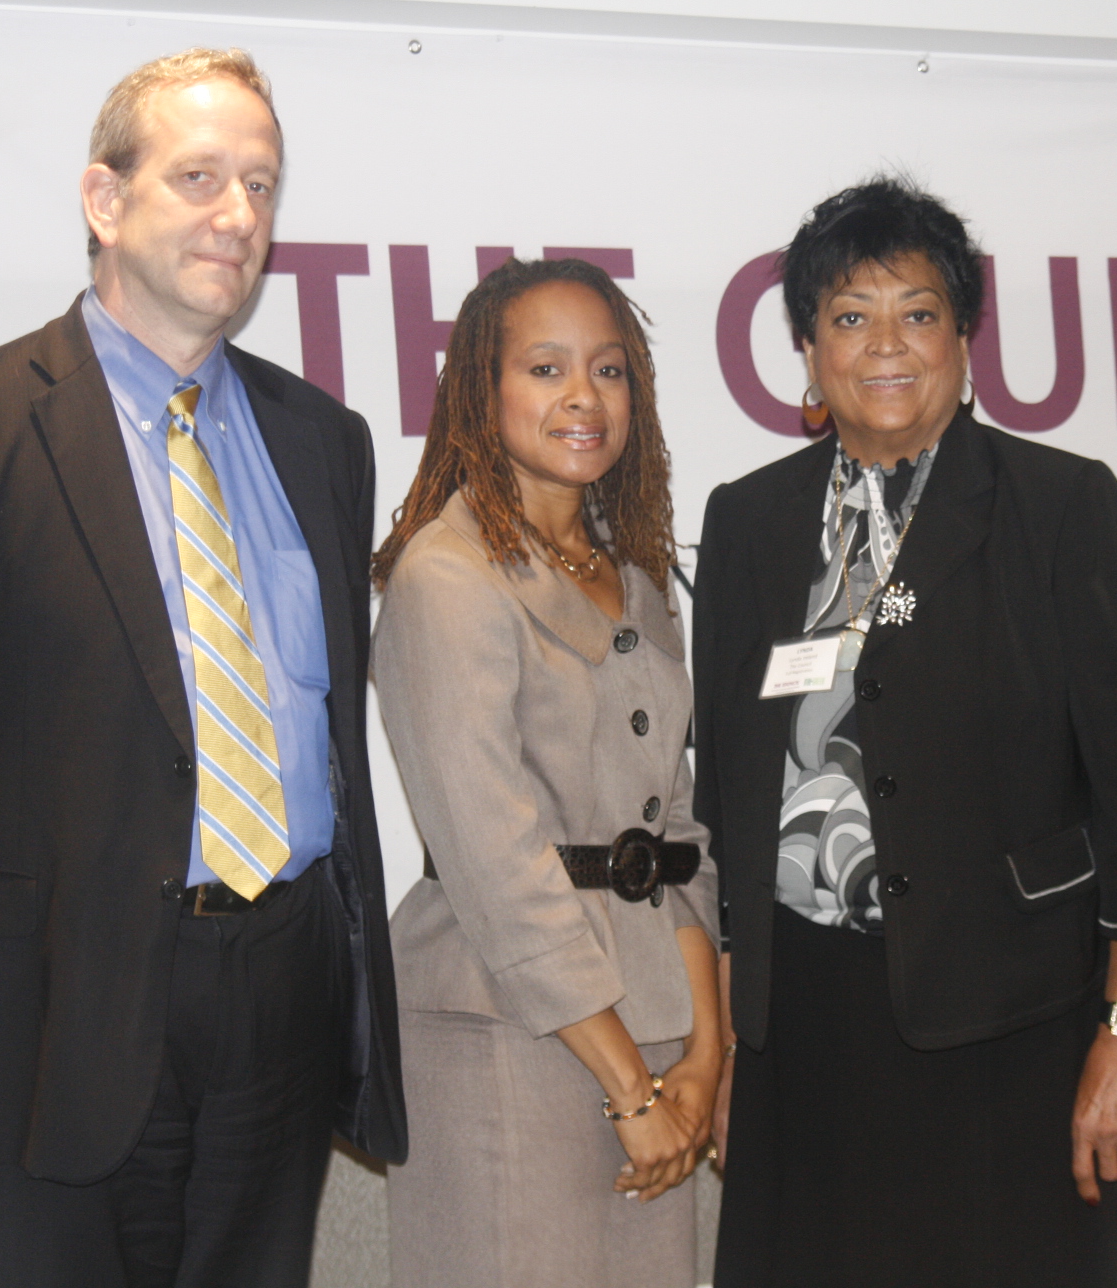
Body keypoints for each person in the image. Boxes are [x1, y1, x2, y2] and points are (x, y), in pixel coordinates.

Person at [0, 48, 405, 1286]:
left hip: (281, 992)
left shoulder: (322, 441)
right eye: (199, 177)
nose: (238, 214)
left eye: (260, 184)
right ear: (105, 199)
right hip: (50, 1017)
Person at [693, 177, 1117, 1287]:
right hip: (802, 1036)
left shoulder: (1059, 506)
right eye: (849, 316)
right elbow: (726, 802)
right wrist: (727, 1044)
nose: (886, 344)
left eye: (917, 312)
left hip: (1008, 1025)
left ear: (964, 339)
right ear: (808, 349)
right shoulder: (747, 521)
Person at [372, 256, 722, 1288]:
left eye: (608, 370)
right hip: (507, 1031)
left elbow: (676, 838)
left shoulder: (639, 574)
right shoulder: (446, 575)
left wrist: (705, 1053)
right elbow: (495, 865)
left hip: (657, 1032)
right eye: (545, 368)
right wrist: (630, 1087)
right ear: (480, 391)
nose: (583, 397)